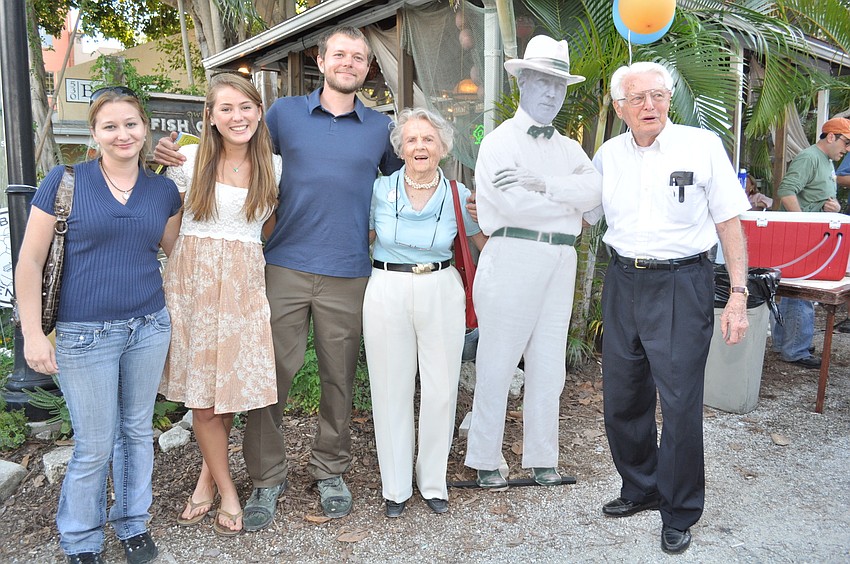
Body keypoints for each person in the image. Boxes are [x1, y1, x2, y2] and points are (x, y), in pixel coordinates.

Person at [154, 26, 403, 528]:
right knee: (268, 379)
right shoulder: (285, 114)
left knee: (338, 378)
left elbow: (407, 183)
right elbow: (234, 143)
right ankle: (267, 477)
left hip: (349, 271)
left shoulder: (381, 129)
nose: (349, 63)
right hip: (281, 266)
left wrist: (464, 208)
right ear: (322, 58)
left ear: (367, 67)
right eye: (340, 54)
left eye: (358, 57)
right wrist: (173, 152)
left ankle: (330, 469)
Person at [585, 61, 751, 555]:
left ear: (669, 99)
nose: (650, 105)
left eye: (657, 95)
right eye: (637, 98)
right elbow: (582, 212)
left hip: (682, 283)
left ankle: (679, 510)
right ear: (620, 108)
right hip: (622, 280)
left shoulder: (700, 147)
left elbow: (728, 223)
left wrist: (738, 296)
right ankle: (641, 488)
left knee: (678, 404)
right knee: (623, 395)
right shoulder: (608, 155)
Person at [15, 87, 182, 564]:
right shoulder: (65, 181)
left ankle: (132, 524)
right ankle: (82, 539)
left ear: (144, 128)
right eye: (110, 126)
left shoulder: (162, 190)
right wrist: (32, 333)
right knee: (93, 443)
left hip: (148, 326)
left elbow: (178, 253)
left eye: (131, 123)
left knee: (135, 430)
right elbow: (29, 261)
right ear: (95, 134)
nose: (122, 134)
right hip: (83, 334)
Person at [465, 36, 602, 490]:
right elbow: (514, 207)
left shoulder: (569, 148)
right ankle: (485, 458)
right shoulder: (500, 142)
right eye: (542, 82)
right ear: (522, 82)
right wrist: (568, 199)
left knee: (549, 365)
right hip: (513, 255)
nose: (550, 94)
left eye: (558, 86)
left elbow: (598, 198)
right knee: (498, 361)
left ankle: (543, 457)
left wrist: (543, 185)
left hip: (560, 260)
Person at [158, 73, 282, 536]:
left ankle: (207, 478)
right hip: (194, 286)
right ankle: (227, 490)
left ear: (258, 112)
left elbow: (265, 232)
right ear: (210, 116)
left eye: (246, 107)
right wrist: (187, 270)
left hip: (245, 287)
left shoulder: (274, 166)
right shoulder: (188, 161)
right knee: (203, 398)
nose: (237, 116)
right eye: (226, 108)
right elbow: (168, 227)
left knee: (226, 388)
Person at [364, 108, 486, 518]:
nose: (420, 146)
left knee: (440, 388)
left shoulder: (458, 193)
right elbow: (362, 238)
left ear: (443, 148)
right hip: (386, 287)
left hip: (440, 288)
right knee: (389, 388)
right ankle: (395, 487)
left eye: (429, 139)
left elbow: (482, 241)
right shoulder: (379, 190)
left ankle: (432, 480)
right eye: (412, 139)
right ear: (400, 148)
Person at [771, 117, 850, 366]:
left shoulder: (826, 161)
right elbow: (785, 191)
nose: (847, 149)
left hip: (809, 237)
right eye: (846, 143)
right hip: (800, 238)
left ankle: (788, 343)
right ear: (830, 136)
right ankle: (795, 350)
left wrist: (834, 207)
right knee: (801, 293)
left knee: (794, 291)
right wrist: (803, 224)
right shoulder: (809, 157)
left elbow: (821, 198)